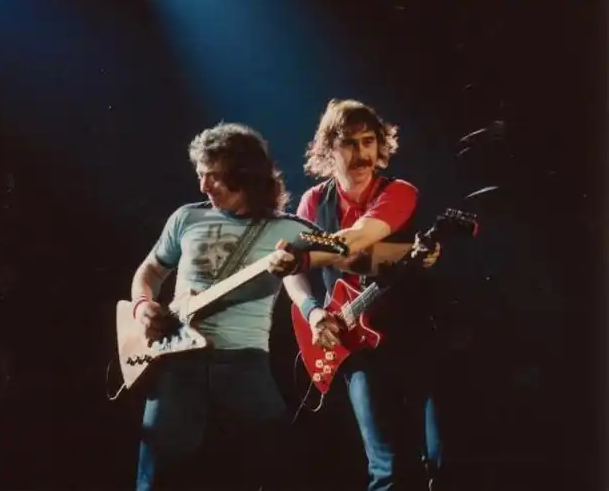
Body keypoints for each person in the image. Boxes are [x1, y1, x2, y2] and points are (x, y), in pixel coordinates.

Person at [128, 122, 325, 491]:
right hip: (177, 362)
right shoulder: (187, 217)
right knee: (156, 477)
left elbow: (349, 256)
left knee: (276, 469)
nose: (203, 186)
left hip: (245, 364)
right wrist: (142, 306)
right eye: (200, 175)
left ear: (245, 175)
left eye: (214, 176)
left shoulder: (291, 229)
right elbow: (150, 270)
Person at [269, 98, 447, 491]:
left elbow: (357, 239)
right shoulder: (314, 202)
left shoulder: (399, 192)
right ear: (328, 150)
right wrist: (313, 311)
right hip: (358, 347)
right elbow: (295, 277)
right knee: (385, 467)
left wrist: (301, 255)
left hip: (414, 335)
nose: (362, 153)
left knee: (439, 459)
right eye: (349, 143)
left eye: (369, 141)